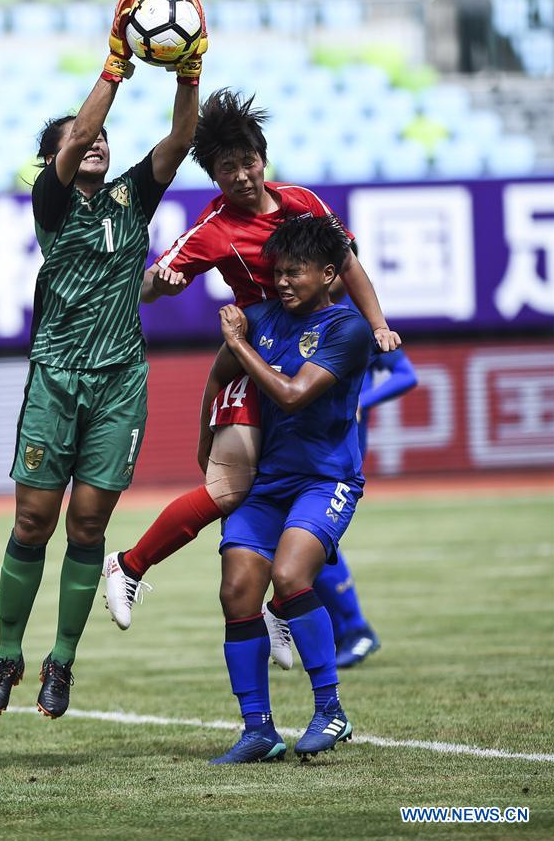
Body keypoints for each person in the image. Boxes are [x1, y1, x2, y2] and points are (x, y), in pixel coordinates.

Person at [0, 0, 207, 719]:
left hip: (119, 386)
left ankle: (61, 663)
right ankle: (8, 653)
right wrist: (115, 65)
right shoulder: (53, 204)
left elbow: (175, 146)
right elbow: (76, 137)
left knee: (87, 528)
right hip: (55, 381)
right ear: (53, 161)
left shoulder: (131, 201)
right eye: (81, 142)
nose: (97, 145)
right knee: (32, 524)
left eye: (104, 140)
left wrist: (188, 77)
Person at [103, 89, 400, 629]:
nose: (240, 175)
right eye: (226, 168)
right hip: (256, 352)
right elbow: (150, 284)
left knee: (303, 485)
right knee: (229, 490)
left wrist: (378, 324)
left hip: (312, 352)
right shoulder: (214, 227)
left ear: (263, 159)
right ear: (214, 176)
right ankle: (129, 564)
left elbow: (349, 265)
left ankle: (279, 605)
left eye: (247, 162)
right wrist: (160, 282)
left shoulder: (304, 204)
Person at [208, 213, 373, 763]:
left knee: (289, 574)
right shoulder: (262, 318)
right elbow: (219, 373)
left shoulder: (347, 330)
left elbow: (292, 394)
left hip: (327, 479)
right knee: (236, 593)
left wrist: (239, 341)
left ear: (330, 274)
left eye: (294, 272)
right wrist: (207, 441)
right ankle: (258, 729)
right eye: (277, 272)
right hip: (268, 483)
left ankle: (330, 709)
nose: (281, 282)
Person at [266, 241, 419, 671]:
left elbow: (406, 374)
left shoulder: (358, 321)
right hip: (298, 446)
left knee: (311, 538)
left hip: (337, 445)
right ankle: (341, 631)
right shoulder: (291, 317)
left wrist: (362, 400)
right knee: (299, 540)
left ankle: (355, 629)